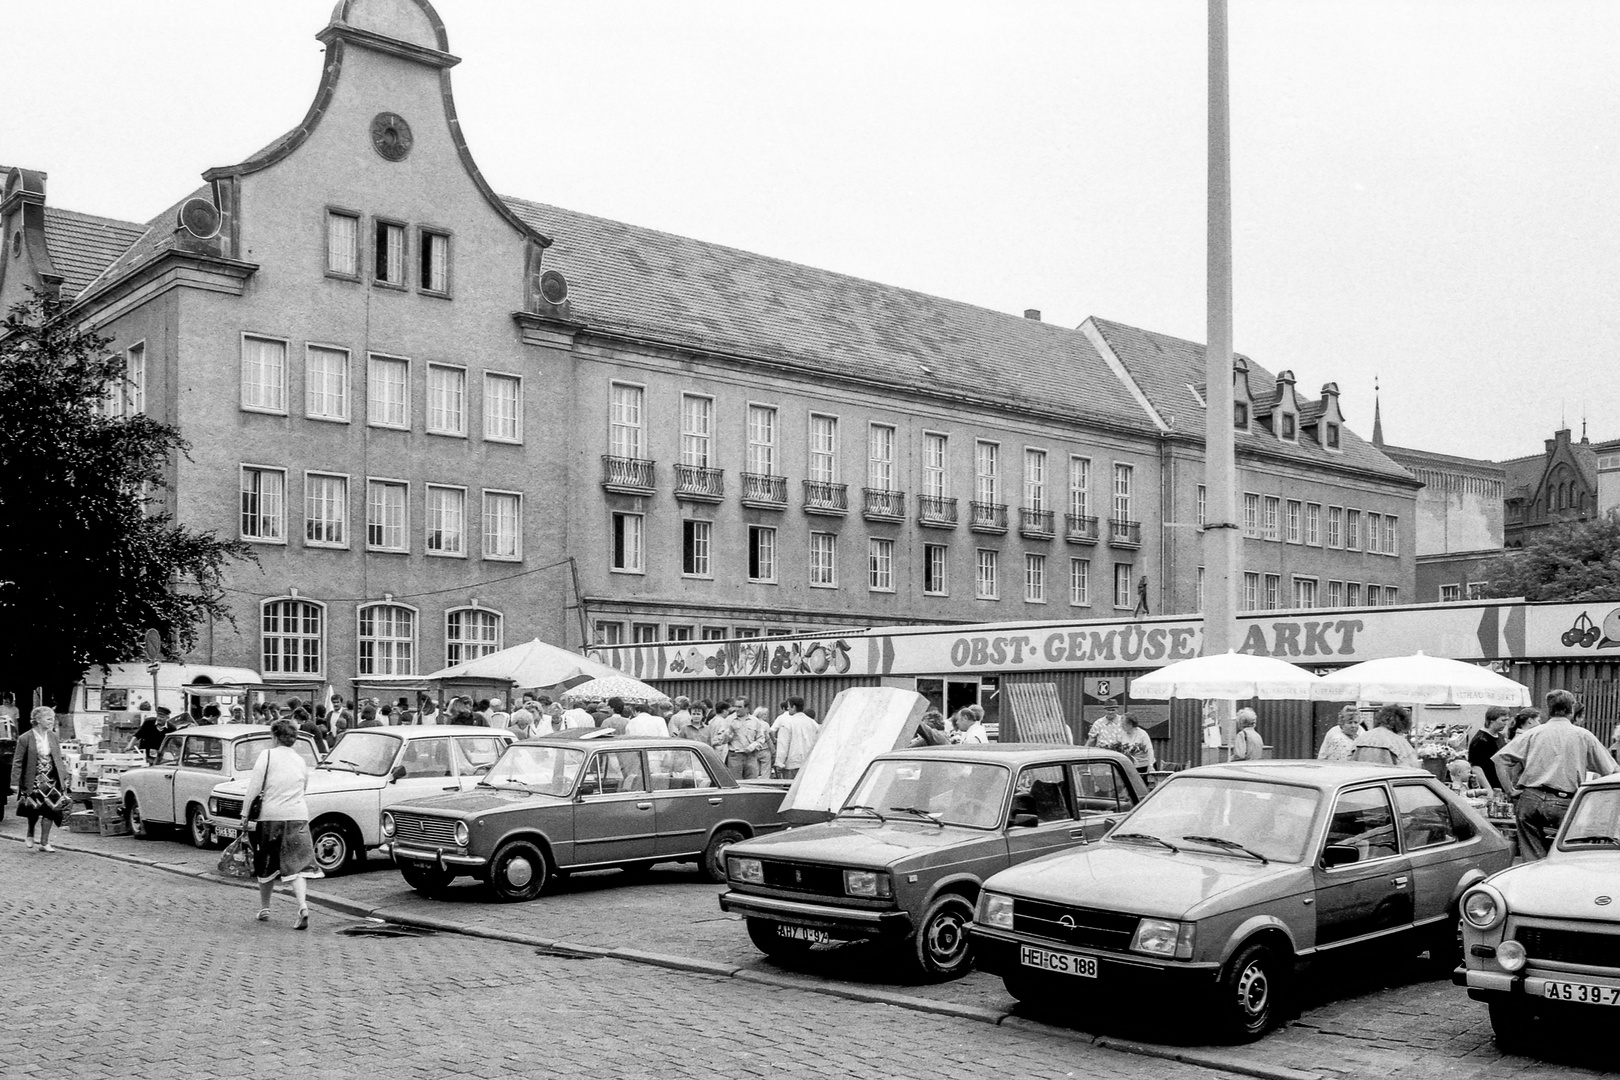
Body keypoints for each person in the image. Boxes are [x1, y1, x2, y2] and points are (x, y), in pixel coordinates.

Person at [1494, 688, 1618, 860]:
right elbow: (1612, 771)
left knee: (1532, 855)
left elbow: (1500, 760)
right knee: (1565, 857)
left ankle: (1534, 881)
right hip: (1564, 800)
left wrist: (1510, 790)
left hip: (1531, 798)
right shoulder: (1583, 736)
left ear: (1549, 709)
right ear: (1571, 709)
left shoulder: (1533, 733)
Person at [240, 718, 321, 929]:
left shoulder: (266, 755)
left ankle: (265, 907)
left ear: (274, 736)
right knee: (297, 866)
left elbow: (254, 787)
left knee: (266, 863)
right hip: (298, 816)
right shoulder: (300, 760)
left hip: (271, 817)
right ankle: (302, 906)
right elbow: (305, 787)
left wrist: (244, 813)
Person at [13, 706, 70, 852]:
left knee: (50, 810)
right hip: (34, 779)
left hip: (51, 779)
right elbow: (18, 761)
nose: (52, 721)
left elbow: (58, 758)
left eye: (53, 718)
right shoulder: (24, 738)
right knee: (33, 809)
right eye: (49, 718)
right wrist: (14, 782)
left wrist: (63, 778)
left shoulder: (53, 736)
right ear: (38, 720)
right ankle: (30, 832)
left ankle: (44, 842)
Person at [1352, 704, 1420, 767]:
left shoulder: (1360, 738)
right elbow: (1413, 770)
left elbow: (1348, 763)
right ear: (1401, 724)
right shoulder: (1401, 744)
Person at [774, 697, 821, 777]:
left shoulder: (787, 723)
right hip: (809, 764)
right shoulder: (813, 723)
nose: (787, 708)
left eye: (789, 706)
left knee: (790, 788)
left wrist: (779, 762)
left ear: (794, 707)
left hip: (792, 765)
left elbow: (783, 744)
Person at [1468, 706, 1511, 789]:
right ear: (1491, 720)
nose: (1505, 723)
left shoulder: (1500, 736)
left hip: (1500, 785)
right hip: (1489, 785)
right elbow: (1476, 767)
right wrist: (1488, 788)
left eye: (1507, 720)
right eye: (1503, 720)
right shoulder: (1481, 740)